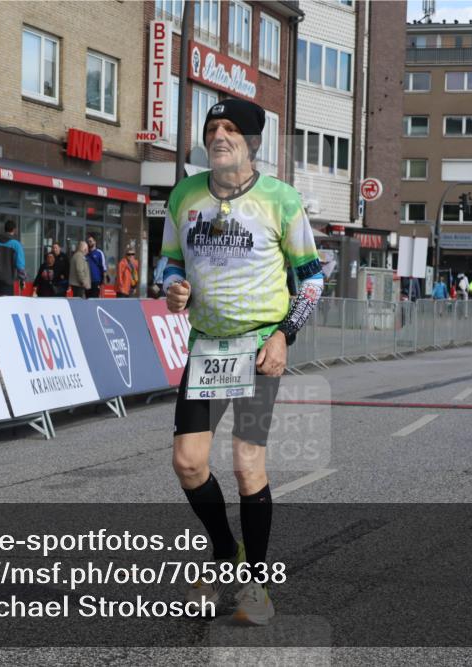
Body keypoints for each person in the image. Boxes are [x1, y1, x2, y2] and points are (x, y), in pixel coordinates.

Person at [162, 98, 322, 626]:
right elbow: (169, 261)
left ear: (253, 143)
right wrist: (172, 289)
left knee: (247, 465)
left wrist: (285, 335)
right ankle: (224, 553)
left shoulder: (281, 199)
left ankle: (255, 584)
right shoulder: (185, 194)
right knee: (188, 462)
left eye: (232, 129)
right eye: (212, 128)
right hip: (206, 348)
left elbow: (312, 278)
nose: (220, 135)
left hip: (257, 349)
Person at [0, 219, 25, 296]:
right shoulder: (16, 244)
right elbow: (20, 264)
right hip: (8, 279)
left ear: (5, 229)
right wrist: (22, 279)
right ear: (14, 229)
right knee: (7, 304)